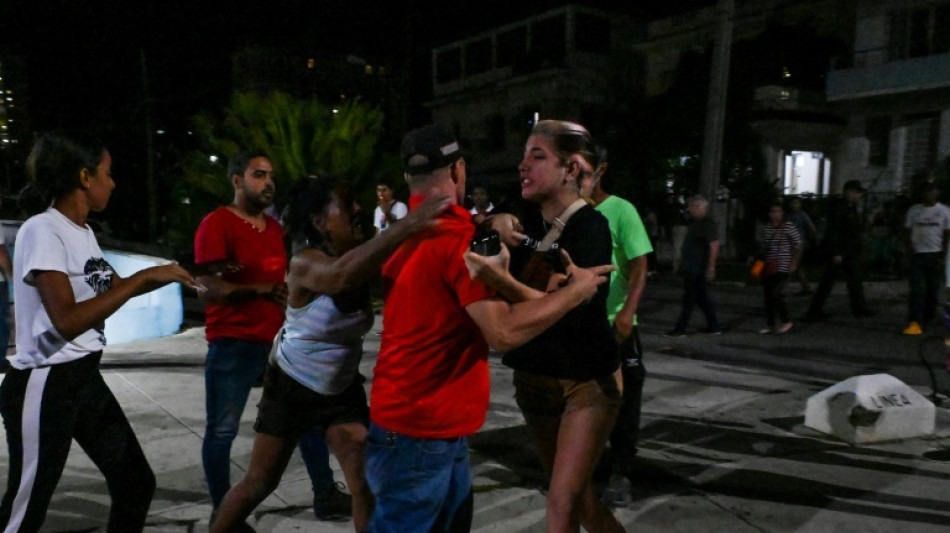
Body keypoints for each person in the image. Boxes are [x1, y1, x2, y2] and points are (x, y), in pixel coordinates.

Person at [366, 123, 614, 533]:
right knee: (568, 499)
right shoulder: (459, 237)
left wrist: (498, 237)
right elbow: (502, 332)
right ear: (459, 171)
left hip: (413, 424)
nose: (522, 165)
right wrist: (570, 292)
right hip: (424, 431)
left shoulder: (405, 233)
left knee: (567, 498)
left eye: (537, 155)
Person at [210, 176, 449, 533]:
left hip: (340, 389)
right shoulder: (305, 262)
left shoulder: (363, 250)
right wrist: (412, 222)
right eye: (347, 202)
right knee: (260, 482)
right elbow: (339, 277)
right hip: (292, 384)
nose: (357, 208)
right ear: (320, 222)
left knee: (364, 486)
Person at [0, 131, 198, 532]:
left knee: (136, 483)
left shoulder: (84, 233)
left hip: (82, 378)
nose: (113, 182)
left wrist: (170, 276)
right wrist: (142, 278)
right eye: (107, 173)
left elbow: (112, 287)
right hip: (45, 381)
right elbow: (68, 320)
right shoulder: (42, 230)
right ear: (84, 177)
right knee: (25, 512)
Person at [194, 151, 347, 529]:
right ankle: (223, 513)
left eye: (271, 176)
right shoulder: (217, 224)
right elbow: (205, 284)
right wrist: (259, 290)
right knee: (222, 432)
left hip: (278, 345)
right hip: (234, 344)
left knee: (307, 422)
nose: (268, 183)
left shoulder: (274, 230)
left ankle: (325, 494)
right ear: (236, 180)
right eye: (259, 175)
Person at [484, 120, 625, 532]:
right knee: (578, 499)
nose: (522, 164)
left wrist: (504, 283)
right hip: (534, 382)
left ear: (572, 168)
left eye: (537, 156)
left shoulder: (591, 227)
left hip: (585, 384)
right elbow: (486, 223)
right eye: (524, 154)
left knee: (561, 504)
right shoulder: (526, 216)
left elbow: (573, 311)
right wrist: (495, 220)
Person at [577, 145, 654, 508]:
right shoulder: (569, 214)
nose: (577, 178)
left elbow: (640, 265)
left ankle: (622, 471)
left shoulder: (622, 211)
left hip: (616, 327)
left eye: (583, 170)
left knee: (624, 401)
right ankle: (581, 469)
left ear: (601, 169)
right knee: (581, 401)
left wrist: (628, 312)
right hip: (579, 325)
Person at [804, 179, 875, 321]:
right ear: (849, 192)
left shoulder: (851, 207)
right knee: (828, 281)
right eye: (857, 193)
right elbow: (834, 231)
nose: (859, 196)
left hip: (849, 251)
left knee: (854, 280)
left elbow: (854, 229)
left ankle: (859, 308)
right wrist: (835, 252)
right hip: (840, 251)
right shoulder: (840, 208)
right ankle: (814, 311)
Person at [665, 195, 723, 337]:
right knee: (700, 298)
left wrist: (711, 267)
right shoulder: (696, 224)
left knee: (689, 298)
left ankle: (681, 328)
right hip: (691, 266)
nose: (691, 209)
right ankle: (714, 325)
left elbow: (714, 246)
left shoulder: (707, 224)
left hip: (698, 268)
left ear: (702, 208)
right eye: (691, 206)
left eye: (695, 206)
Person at [902, 182, 950, 335]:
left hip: (935, 255)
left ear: (937, 193)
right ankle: (914, 322)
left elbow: (947, 235)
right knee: (917, 290)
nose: (929, 194)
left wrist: (943, 255)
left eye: (932, 191)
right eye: (927, 191)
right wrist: (908, 250)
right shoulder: (914, 210)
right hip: (917, 255)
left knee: (933, 289)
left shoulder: (944, 211)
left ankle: (929, 317)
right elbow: (906, 231)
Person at [756, 201, 802, 335]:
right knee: (768, 295)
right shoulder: (768, 228)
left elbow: (798, 245)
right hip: (770, 265)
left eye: (778, 212)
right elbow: (764, 248)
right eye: (773, 212)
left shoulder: (788, 227)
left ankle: (786, 321)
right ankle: (770, 324)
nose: (775, 215)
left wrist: (794, 262)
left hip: (783, 265)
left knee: (776, 294)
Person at [785, 197, 816, 295]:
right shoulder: (789, 216)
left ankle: (781, 287)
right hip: (790, 243)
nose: (795, 205)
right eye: (793, 203)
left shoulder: (802, 215)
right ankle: (806, 287)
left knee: (792, 265)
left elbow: (811, 227)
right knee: (797, 266)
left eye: (797, 203)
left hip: (798, 243)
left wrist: (811, 238)